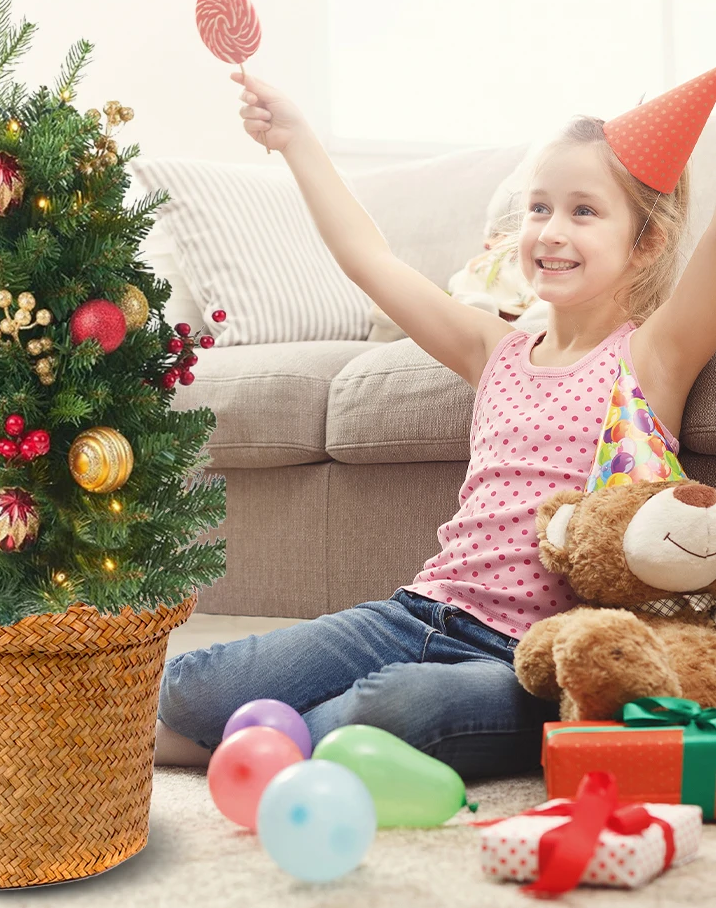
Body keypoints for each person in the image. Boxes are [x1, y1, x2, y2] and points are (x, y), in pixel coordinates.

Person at [154, 66, 716, 777]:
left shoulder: (652, 355)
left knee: (391, 709)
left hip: (526, 658)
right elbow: (368, 258)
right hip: (417, 612)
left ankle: (253, 744)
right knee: (190, 681)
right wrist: (296, 139)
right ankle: (265, 741)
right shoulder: (493, 349)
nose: (549, 230)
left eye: (583, 211)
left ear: (645, 243)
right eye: (538, 208)